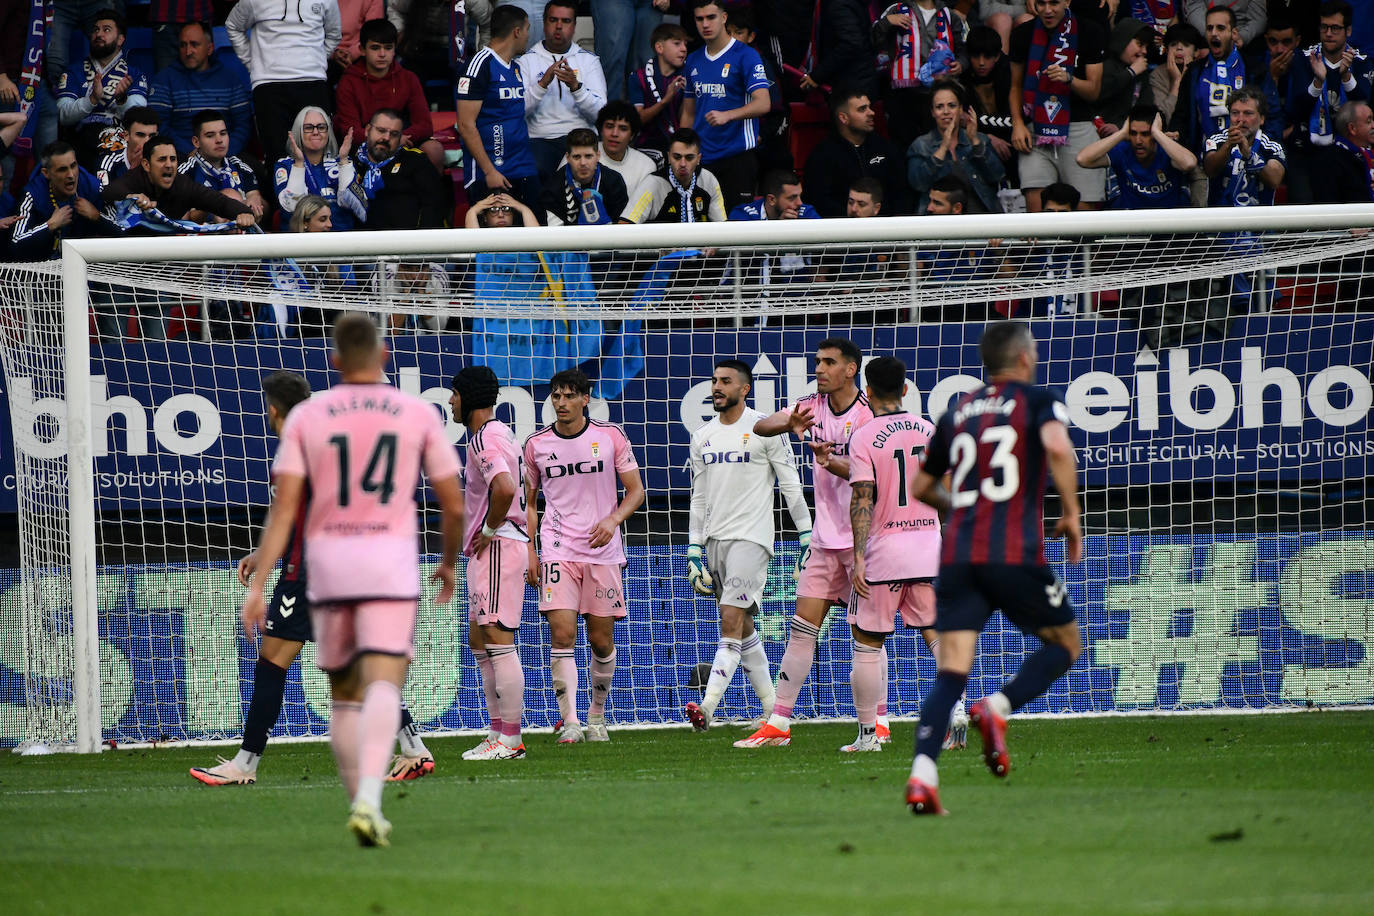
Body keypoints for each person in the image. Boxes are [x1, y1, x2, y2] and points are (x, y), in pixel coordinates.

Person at [240, 313, 464, 846]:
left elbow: (286, 506)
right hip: (389, 563)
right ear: (384, 356)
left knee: (343, 695)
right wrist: (450, 561)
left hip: (330, 567)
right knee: (383, 680)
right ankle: (370, 799)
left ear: (335, 361)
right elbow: (452, 504)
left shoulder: (307, 418)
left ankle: (357, 803)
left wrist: (258, 583)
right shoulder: (415, 412)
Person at [191, 371, 437, 788]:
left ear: (272, 409)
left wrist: (265, 573)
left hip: (307, 576)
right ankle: (413, 747)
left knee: (271, 663)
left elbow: (290, 515)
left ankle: (245, 764)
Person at [905, 321, 1084, 816]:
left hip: (958, 555)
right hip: (1012, 552)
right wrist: (1070, 513)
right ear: (1025, 358)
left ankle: (922, 776)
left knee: (951, 671)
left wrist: (960, 504)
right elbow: (1056, 447)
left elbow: (921, 486)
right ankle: (998, 707)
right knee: (1066, 642)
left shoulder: (957, 410)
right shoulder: (1036, 400)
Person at [734, 340, 873, 748]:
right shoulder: (810, 405)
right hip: (826, 539)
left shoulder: (867, 415)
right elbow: (759, 426)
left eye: (829, 363)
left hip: (864, 540)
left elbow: (871, 475)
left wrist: (831, 462)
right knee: (801, 628)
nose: (819, 368)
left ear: (850, 370)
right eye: (817, 362)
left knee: (869, 635)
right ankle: (778, 724)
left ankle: (878, 723)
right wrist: (789, 423)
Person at [686, 359, 811, 733]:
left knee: (729, 622)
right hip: (715, 541)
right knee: (743, 627)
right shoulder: (702, 436)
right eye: (714, 381)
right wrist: (694, 548)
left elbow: (789, 483)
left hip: (752, 538)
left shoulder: (764, 429)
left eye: (725, 381)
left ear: (744, 389)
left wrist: (807, 535)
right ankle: (774, 709)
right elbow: (699, 497)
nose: (717, 387)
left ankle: (706, 707)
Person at [523, 368, 645, 743]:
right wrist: (531, 550)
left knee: (601, 640)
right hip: (558, 549)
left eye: (568, 396)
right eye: (555, 396)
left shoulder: (609, 437)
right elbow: (527, 502)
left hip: (603, 551)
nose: (561, 403)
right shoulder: (536, 444)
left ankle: (596, 716)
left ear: (585, 398)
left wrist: (614, 519)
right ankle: (571, 722)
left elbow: (636, 491)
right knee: (562, 634)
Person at [841, 356, 944, 753]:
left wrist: (860, 558)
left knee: (867, 644)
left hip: (884, 555)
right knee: (936, 634)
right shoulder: (930, 430)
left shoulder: (865, 436)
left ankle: (869, 737)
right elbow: (946, 491)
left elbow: (862, 498)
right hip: (928, 552)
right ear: (905, 389)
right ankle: (953, 717)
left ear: (867, 393)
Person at [451, 365, 533, 761]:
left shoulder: (485, 438)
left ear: (467, 397)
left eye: (453, 394)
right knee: (479, 638)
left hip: (498, 545)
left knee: (498, 639)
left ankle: (511, 740)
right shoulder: (497, 434)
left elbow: (505, 487)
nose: (450, 401)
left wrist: (488, 526)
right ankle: (498, 732)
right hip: (492, 548)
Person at [1007, 0, 1107, 212]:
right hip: (1035, 130)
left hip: (1078, 126)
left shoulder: (1089, 31)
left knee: (1083, 212)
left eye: (1054, 2)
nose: (1047, 10)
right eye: (1041, 3)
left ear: (1068, 1)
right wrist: (1017, 123)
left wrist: (1068, 79)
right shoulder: (1022, 34)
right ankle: (1042, 248)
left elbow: (1094, 91)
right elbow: (1015, 86)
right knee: (1037, 212)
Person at [678, 0, 773, 209]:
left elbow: (764, 103)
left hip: (737, 157)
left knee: (736, 228)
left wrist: (728, 115)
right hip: (701, 158)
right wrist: (682, 151)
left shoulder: (746, 55)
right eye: (699, 19)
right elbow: (688, 111)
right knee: (700, 227)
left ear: (724, 18)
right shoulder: (693, 60)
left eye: (711, 17)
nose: (705, 24)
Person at [227, 0, 342, 165]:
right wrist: (252, 64)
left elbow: (334, 33)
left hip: (313, 82)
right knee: (276, 154)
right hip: (269, 85)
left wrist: (316, 60)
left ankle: (318, 191)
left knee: (318, 153)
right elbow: (233, 26)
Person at [457, 5, 543, 214]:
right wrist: (490, 171)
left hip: (523, 168)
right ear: (516, 31)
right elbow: (465, 125)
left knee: (537, 235)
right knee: (495, 244)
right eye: (527, 29)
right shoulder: (479, 65)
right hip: (492, 174)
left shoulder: (515, 67)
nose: (528, 36)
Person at [335, 19, 442, 172]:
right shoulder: (348, 81)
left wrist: (398, 138)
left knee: (434, 149)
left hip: (402, 141)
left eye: (388, 48)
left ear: (394, 50)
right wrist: (386, 139)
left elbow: (425, 126)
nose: (382, 54)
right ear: (362, 49)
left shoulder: (408, 78)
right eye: (375, 48)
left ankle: (430, 196)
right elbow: (349, 130)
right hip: (365, 147)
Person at [518, 1, 609, 181]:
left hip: (582, 138)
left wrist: (576, 87)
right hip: (540, 139)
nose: (559, 26)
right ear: (544, 23)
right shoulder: (526, 61)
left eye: (566, 21)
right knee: (533, 173)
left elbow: (601, 115)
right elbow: (517, 111)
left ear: (574, 26)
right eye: (553, 20)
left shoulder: (588, 61)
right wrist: (542, 84)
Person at [55, 9, 149, 170]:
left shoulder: (133, 74)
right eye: (96, 30)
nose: (99, 34)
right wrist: (91, 100)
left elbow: (139, 118)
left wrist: (121, 99)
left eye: (106, 30)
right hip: (80, 140)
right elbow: (63, 114)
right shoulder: (74, 71)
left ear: (120, 39)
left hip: (118, 140)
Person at [873, 1, 970, 154]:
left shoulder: (950, 15)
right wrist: (887, 22)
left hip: (939, 93)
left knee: (939, 146)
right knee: (904, 146)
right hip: (904, 93)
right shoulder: (896, 9)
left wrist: (961, 64)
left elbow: (964, 49)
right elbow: (872, 40)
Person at [147, 21, 254, 158]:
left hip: (227, 156)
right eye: (183, 45)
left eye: (194, 44)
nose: (188, 51)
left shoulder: (230, 80)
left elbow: (243, 126)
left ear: (210, 49)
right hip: (179, 158)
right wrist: (191, 153)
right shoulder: (164, 80)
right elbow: (159, 126)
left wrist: (224, 153)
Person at [804, 89, 910, 217]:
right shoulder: (822, 156)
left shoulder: (886, 148)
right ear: (844, 118)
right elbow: (819, 201)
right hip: (842, 230)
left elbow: (901, 194)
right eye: (862, 109)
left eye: (869, 107)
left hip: (886, 228)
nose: (871, 113)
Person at [908, 79, 1005, 213]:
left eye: (952, 105)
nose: (946, 111)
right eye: (939, 107)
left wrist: (975, 142)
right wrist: (942, 148)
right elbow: (918, 184)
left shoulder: (980, 139)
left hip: (981, 222)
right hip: (938, 225)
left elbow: (997, 175)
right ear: (932, 112)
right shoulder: (920, 145)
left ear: (960, 110)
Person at [1076, 106, 1198, 209]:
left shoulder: (1168, 150)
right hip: (1133, 226)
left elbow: (1189, 163)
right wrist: (1122, 133)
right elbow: (1083, 159)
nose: (1138, 141)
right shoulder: (1123, 150)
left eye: (1145, 134)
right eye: (1133, 133)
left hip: (1169, 226)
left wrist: (1158, 133)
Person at [10, 141, 107, 262]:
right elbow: (15, 243)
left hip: (85, 267)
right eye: (62, 169)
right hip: (41, 270)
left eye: (73, 166)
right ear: (46, 173)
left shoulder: (93, 187)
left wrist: (97, 217)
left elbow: (123, 233)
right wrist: (50, 226)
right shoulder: (32, 194)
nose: (71, 175)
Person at [1169, 6, 1246, 157]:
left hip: (1245, 160)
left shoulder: (1254, 69)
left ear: (1234, 33)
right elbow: (1182, 115)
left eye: (1220, 28)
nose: (1214, 33)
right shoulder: (1194, 72)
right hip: (1203, 161)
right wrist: (1177, 134)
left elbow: (1271, 115)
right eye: (1209, 28)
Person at [276, 106, 368, 232]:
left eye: (321, 127)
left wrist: (343, 161)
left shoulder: (342, 163)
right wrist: (299, 163)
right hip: (300, 243)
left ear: (328, 132)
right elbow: (292, 206)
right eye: (308, 128)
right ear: (299, 131)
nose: (316, 132)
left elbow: (355, 205)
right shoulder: (285, 165)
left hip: (341, 240)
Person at [355, 109, 447, 230]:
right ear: (367, 130)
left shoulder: (416, 161)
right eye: (381, 131)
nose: (386, 138)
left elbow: (433, 207)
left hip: (406, 243)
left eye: (394, 134)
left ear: (400, 138)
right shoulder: (351, 163)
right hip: (358, 243)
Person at [1202, 87, 1286, 207]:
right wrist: (1228, 145)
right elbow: (1210, 170)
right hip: (1221, 219)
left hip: (1260, 220)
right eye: (1235, 113)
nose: (1240, 119)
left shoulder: (1272, 146)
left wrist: (1249, 156)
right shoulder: (1216, 140)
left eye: (1248, 113)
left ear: (1262, 119)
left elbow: (1274, 180)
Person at [624, 128, 727, 222]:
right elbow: (625, 224)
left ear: (698, 159)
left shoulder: (708, 180)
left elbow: (722, 228)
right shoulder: (652, 183)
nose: (683, 164)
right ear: (668, 157)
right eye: (677, 157)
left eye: (689, 158)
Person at [179, 109, 265, 221]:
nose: (219, 140)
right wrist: (217, 204)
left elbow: (256, 200)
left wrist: (255, 203)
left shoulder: (242, 167)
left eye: (223, 133)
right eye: (210, 135)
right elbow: (182, 218)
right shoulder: (185, 173)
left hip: (241, 235)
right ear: (196, 142)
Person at [960, 25, 1018, 187]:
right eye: (976, 56)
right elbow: (959, 120)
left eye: (987, 57)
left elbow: (1015, 119)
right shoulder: (961, 78)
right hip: (977, 140)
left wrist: (975, 122)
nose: (981, 63)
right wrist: (988, 138)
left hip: (1011, 139)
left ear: (997, 56)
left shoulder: (1010, 72)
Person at [542, 127, 630, 225]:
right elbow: (555, 234)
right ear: (568, 158)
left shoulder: (614, 182)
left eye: (588, 156)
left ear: (598, 156)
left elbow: (620, 228)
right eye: (576, 157)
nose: (583, 163)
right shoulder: (553, 187)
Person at [800, 0, 880, 101]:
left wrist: (818, 75)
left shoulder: (839, 4)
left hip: (851, 85)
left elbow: (851, 44)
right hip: (859, 78)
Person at [629, 22, 689, 155]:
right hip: (646, 146)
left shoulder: (690, 75)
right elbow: (637, 120)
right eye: (677, 43)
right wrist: (665, 101)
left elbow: (688, 119)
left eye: (685, 44)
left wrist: (688, 95)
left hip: (680, 147)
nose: (684, 48)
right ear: (659, 47)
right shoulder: (638, 77)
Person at [592, 0, 663, 102]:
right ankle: (610, 115)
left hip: (651, 3)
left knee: (646, 68)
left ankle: (639, 116)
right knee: (612, 63)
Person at [1092, 17, 1153, 132]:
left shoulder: (1142, 73)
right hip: (1095, 133)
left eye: (1146, 46)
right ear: (1123, 39)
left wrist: (1121, 127)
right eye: (1140, 44)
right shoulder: (1102, 65)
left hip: (1129, 134)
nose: (1144, 51)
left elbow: (1146, 109)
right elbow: (1100, 93)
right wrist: (1130, 73)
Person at [594, 101, 659, 205]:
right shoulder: (582, 155)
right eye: (609, 126)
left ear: (632, 135)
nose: (614, 134)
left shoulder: (646, 166)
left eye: (623, 128)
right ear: (601, 130)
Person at [1312, 99, 1374, 201]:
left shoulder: (1369, 154)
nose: (1373, 125)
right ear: (1352, 128)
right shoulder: (1330, 161)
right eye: (1368, 121)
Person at [95, 106, 159, 190]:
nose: (147, 141)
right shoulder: (108, 162)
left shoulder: (166, 161)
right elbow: (102, 199)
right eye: (140, 135)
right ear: (126, 136)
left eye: (152, 136)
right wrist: (133, 170)